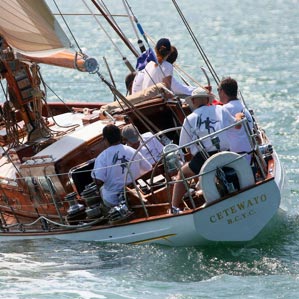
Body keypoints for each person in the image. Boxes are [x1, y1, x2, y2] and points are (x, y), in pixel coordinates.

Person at [171, 88, 244, 213]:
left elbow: (184, 146)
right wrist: (238, 116)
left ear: (193, 101)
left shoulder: (189, 119)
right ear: (207, 99)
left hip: (204, 159)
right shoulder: (221, 109)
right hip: (225, 153)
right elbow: (238, 125)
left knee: (182, 173)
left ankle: (174, 208)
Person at [91, 124, 152, 207]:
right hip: (137, 194)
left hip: (114, 200)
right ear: (120, 137)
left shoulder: (102, 157)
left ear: (106, 140)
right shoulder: (133, 151)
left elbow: (98, 181)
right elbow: (149, 168)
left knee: (102, 189)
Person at [217, 77, 253, 163]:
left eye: (218, 89)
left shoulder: (225, 109)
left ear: (222, 91)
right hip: (248, 155)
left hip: (233, 159)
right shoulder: (243, 108)